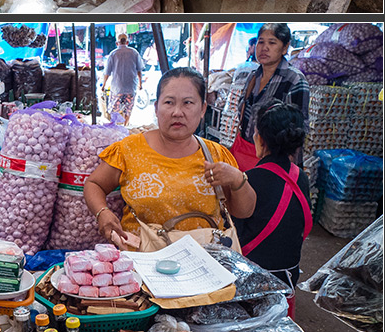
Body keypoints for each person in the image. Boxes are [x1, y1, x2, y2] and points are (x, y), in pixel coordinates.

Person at [84, 66, 257, 246]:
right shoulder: (129, 150)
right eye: (169, 102)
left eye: (188, 103)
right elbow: (94, 183)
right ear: (156, 107)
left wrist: (238, 180)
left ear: (203, 109)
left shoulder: (216, 154)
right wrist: (102, 212)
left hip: (205, 261)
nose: (177, 112)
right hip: (144, 260)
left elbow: (244, 211)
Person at [233, 104, 313, 293]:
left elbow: (236, 233)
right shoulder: (301, 177)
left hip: (252, 278)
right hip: (288, 276)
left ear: (260, 139)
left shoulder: (249, 179)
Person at [228, 23, 310, 172]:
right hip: (246, 152)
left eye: (272, 42)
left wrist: (290, 170)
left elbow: (299, 129)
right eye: (261, 42)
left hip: (274, 161)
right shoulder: (253, 76)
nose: (264, 48)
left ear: (285, 47)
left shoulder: (295, 80)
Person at [102, 32, 143, 125]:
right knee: (128, 109)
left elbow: (107, 72)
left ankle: (114, 126)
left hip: (117, 88)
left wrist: (103, 85)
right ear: (127, 42)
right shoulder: (134, 52)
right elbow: (139, 70)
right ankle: (126, 126)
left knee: (114, 110)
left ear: (117, 43)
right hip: (130, 87)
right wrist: (140, 84)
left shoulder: (113, 54)